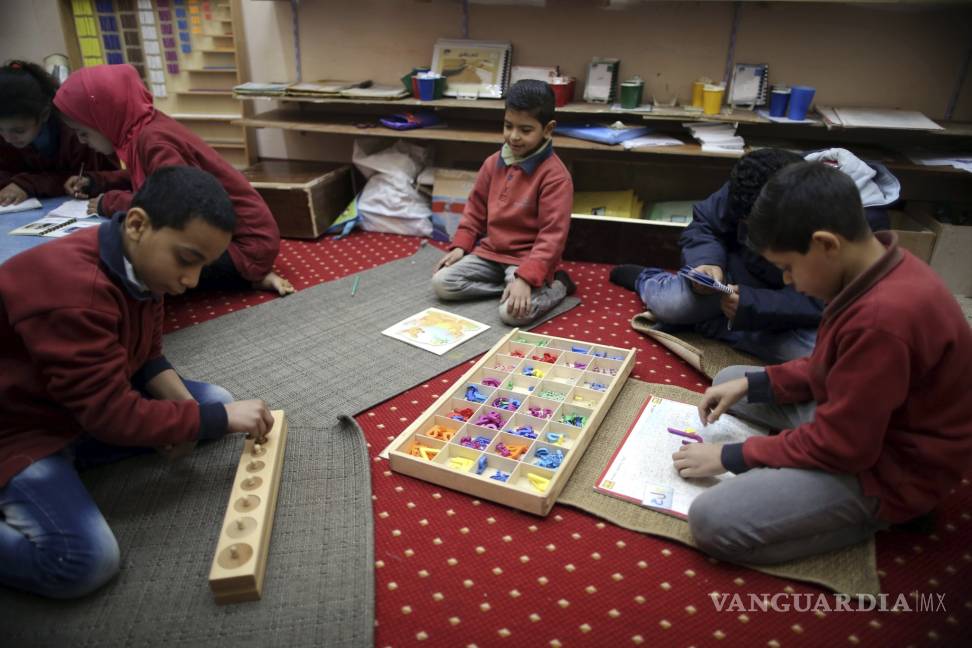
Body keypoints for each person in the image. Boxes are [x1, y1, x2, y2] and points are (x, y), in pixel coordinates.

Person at [672, 161, 972, 565]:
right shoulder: (876, 264)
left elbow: (844, 447)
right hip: (868, 425)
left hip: (889, 469)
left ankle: (875, 518)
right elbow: (828, 366)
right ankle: (799, 464)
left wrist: (732, 457)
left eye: (788, 268)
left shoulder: (881, 321)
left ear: (826, 244)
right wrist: (754, 386)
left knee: (712, 521)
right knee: (734, 379)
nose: (787, 282)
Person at [0, 166, 275, 598]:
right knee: (85, 562)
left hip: (76, 404)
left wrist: (194, 417)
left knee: (213, 405)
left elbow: (145, 355)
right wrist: (203, 421)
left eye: (203, 265)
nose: (192, 280)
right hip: (20, 428)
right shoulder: (75, 294)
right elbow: (111, 414)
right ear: (137, 223)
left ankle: (75, 463)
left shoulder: (139, 263)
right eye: (186, 260)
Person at [610, 147, 899, 363]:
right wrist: (707, 263)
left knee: (821, 354)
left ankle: (715, 325)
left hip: (800, 307)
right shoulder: (761, 179)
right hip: (736, 279)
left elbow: (831, 303)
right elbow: (706, 224)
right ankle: (651, 282)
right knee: (674, 305)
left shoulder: (857, 224)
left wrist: (753, 305)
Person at [52, 64, 293, 295]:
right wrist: (99, 181)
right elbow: (150, 180)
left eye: (84, 133)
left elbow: (175, 205)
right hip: (234, 239)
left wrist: (111, 202)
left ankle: (247, 275)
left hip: (245, 245)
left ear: (105, 117)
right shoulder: (142, 128)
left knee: (149, 264)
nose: (82, 141)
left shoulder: (153, 140)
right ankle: (248, 276)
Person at [432, 79, 575, 325]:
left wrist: (526, 277)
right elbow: (475, 209)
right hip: (490, 254)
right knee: (442, 284)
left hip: (527, 259)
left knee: (512, 314)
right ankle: (509, 289)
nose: (514, 137)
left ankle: (557, 285)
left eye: (526, 130)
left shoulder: (556, 177)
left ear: (548, 129)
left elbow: (552, 236)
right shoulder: (492, 163)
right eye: (508, 126)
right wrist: (461, 246)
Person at [0, 59, 123, 206]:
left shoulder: (78, 133)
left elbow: (89, 180)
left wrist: (28, 183)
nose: (7, 138)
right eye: (0, 130)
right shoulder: (7, 135)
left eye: (19, 131)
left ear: (44, 114)